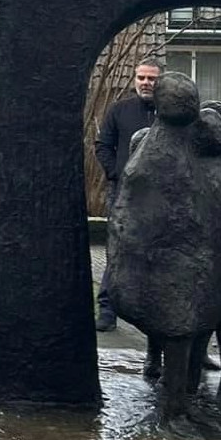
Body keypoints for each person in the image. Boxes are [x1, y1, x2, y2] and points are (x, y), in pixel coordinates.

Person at [93, 58, 162, 332]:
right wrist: (115, 173)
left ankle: (156, 315)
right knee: (117, 252)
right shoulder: (119, 110)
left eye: (152, 79)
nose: (146, 83)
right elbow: (103, 145)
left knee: (159, 255)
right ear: (134, 79)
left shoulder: (170, 113)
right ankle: (108, 311)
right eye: (141, 78)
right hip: (123, 195)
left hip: (161, 198)